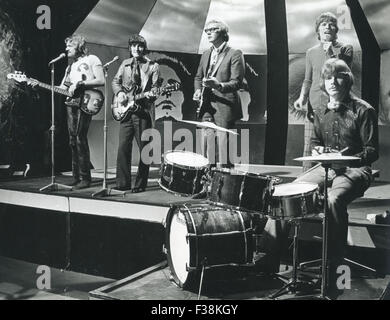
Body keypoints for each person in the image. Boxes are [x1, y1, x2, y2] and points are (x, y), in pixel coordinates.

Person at [262, 58, 379, 299]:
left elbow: (372, 152)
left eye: (338, 76)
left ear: (347, 80)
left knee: (334, 200)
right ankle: (267, 261)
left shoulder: (364, 110)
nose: (333, 82)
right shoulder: (318, 110)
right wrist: (317, 151)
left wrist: (350, 157)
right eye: (328, 78)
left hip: (356, 170)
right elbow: (316, 142)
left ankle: (335, 270)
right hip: (326, 167)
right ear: (323, 84)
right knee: (286, 193)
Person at [294, 12, 353, 171]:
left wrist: (329, 52)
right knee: (310, 147)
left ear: (336, 30)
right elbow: (308, 79)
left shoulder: (345, 49)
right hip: (314, 105)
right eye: (323, 24)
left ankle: (333, 181)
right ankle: (306, 184)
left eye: (331, 24)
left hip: (335, 104)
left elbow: (339, 70)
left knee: (333, 145)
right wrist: (302, 97)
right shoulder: (311, 52)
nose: (327, 27)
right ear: (318, 31)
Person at [193, 19, 245, 167]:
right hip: (206, 105)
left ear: (223, 32)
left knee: (224, 151)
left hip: (225, 106)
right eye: (206, 30)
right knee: (205, 148)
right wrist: (197, 90)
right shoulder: (205, 54)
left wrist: (219, 85)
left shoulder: (235, 53)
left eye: (213, 29)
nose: (208, 32)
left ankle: (223, 185)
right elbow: (198, 76)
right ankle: (205, 182)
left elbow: (237, 82)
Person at [112, 34, 160, 193]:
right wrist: (119, 93)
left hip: (142, 112)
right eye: (133, 46)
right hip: (125, 112)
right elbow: (115, 81)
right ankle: (122, 183)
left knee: (144, 150)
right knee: (123, 148)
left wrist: (153, 94)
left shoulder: (153, 66)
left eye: (139, 46)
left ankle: (140, 184)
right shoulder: (125, 64)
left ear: (144, 48)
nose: (136, 49)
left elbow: (155, 89)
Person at [59, 34, 104, 189]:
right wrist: (38, 84)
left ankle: (86, 178)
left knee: (80, 137)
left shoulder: (93, 59)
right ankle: (76, 177)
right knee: (72, 140)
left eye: (69, 46)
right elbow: (63, 89)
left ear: (78, 46)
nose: (66, 49)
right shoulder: (70, 66)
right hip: (71, 104)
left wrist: (81, 83)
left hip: (86, 101)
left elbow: (101, 80)